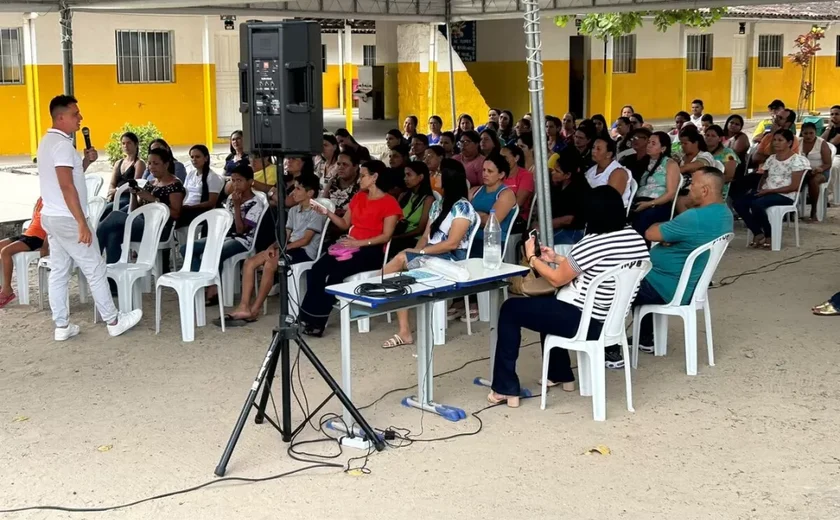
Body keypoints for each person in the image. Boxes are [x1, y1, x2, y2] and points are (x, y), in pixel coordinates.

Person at [487, 186, 650, 406]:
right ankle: (560, 374)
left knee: (511, 309)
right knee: (548, 307)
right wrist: (554, 258)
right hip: (611, 321)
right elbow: (596, 268)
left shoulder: (593, 243)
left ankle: (505, 388)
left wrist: (532, 258)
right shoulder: (635, 239)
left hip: (584, 321)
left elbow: (556, 280)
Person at [604, 166, 734, 368]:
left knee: (612, 285)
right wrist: (674, 236)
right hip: (685, 282)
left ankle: (610, 349)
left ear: (705, 190)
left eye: (693, 184)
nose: (689, 188)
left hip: (665, 285)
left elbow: (650, 233)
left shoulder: (694, 218)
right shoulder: (724, 213)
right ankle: (646, 337)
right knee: (633, 274)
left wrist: (667, 233)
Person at [37, 95, 142, 340]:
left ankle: (62, 325)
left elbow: (68, 178)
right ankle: (113, 320)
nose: (80, 118)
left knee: (60, 271)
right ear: (61, 117)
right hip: (68, 218)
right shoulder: (62, 145)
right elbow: (66, 186)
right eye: (75, 114)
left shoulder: (48, 142)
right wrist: (82, 223)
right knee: (94, 267)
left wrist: (84, 162)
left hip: (53, 216)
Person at [298, 160, 402, 337]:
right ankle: (306, 316)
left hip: (372, 250)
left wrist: (359, 243)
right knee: (317, 269)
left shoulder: (389, 202)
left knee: (336, 275)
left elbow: (386, 236)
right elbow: (345, 223)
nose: (359, 180)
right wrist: (327, 213)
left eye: (362, 176)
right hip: (349, 246)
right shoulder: (359, 197)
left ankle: (318, 321)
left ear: (375, 177)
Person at [380, 161, 477, 348]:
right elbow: (425, 237)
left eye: (440, 174)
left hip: (452, 259)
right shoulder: (438, 205)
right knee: (401, 264)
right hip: (433, 255)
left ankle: (371, 292)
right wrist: (416, 252)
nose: (436, 177)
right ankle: (402, 329)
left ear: (450, 178)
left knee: (400, 260)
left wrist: (420, 252)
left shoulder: (462, 207)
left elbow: (452, 243)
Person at [221, 173, 326, 325]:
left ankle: (255, 309)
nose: (293, 193)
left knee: (270, 263)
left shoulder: (317, 212)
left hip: (305, 252)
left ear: (310, 193)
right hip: (289, 247)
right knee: (250, 262)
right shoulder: (294, 210)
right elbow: (286, 234)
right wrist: (273, 246)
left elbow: (305, 240)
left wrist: (283, 249)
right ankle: (244, 306)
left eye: (297, 189)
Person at [182, 162, 265, 305]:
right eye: (233, 180)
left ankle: (213, 288)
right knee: (186, 248)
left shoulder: (255, 203)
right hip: (226, 236)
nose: (235, 184)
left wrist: (238, 206)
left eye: (239, 180)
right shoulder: (232, 198)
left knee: (217, 251)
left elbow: (240, 230)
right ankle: (203, 284)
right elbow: (226, 221)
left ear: (250, 182)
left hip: (243, 240)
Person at [98, 147, 185, 265]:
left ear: (166, 164)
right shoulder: (151, 183)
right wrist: (134, 195)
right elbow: (135, 211)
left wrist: (153, 199)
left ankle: (93, 254)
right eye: (149, 163)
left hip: (160, 228)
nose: (151, 167)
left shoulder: (175, 185)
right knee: (114, 235)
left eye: (156, 163)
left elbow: (176, 213)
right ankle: (112, 279)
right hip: (141, 223)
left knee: (115, 216)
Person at [734, 129, 810, 249]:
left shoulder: (798, 160)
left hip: (785, 195)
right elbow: (764, 176)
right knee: (739, 203)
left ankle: (769, 235)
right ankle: (758, 233)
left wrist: (769, 191)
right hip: (767, 191)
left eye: (780, 140)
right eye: (774, 140)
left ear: (789, 143)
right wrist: (760, 189)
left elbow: (794, 186)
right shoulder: (772, 158)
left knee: (757, 204)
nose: (776, 143)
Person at [630, 132, 681, 236]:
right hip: (640, 201)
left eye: (653, 143)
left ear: (663, 148)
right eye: (648, 142)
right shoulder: (643, 162)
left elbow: (671, 193)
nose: (649, 145)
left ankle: (641, 248)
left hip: (659, 204)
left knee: (643, 217)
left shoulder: (670, 164)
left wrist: (649, 204)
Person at [0, 198, 48, 308]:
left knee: (5, 252)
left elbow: (52, 227)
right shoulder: (41, 199)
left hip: (37, 238)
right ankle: (1, 285)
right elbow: (33, 220)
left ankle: (7, 290)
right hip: (27, 235)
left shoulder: (53, 199)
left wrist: (45, 247)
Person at [390, 161, 435, 254]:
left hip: (413, 239)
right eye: (405, 175)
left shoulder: (428, 200)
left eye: (409, 175)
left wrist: (397, 237)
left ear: (421, 177)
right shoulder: (403, 195)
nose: (405, 178)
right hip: (398, 233)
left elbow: (420, 229)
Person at [176, 144, 224, 230]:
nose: (194, 160)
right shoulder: (190, 174)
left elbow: (211, 203)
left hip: (199, 212)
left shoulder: (212, 177)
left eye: (197, 157)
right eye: (192, 157)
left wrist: (191, 207)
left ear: (206, 158)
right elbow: (184, 193)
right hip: (185, 208)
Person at [548, 152, 590, 244]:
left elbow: (568, 219)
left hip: (574, 232)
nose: (553, 173)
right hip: (556, 228)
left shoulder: (580, 189)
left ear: (567, 175)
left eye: (557, 171)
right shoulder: (557, 185)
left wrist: (543, 226)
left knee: (542, 244)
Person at [584, 137, 632, 208]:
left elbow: (611, 201)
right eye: (593, 147)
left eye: (598, 149)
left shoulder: (618, 172)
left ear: (608, 154)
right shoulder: (592, 170)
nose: (593, 151)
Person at [799, 122, 832, 221]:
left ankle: (813, 212)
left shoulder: (822, 143)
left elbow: (828, 163)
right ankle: (792, 211)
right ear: (801, 133)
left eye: (811, 133)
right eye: (805, 133)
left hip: (821, 171)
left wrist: (819, 169)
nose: (808, 136)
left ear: (815, 132)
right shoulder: (798, 142)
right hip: (803, 170)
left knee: (814, 181)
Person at [106, 132, 146, 213]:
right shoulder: (118, 163)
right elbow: (112, 183)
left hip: (129, 198)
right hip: (115, 197)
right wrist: (111, 193)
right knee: (101, 209)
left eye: (129, 143)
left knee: (109, 212)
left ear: (136, 144)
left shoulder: (139, 163)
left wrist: (118, 190)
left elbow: (136, 185)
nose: (125, 146)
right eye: (123, 143)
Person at [501, 143, 534, 224]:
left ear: (516, 158)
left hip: (516, 218)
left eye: (505, 158)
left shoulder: (526, 176)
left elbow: (518, 203)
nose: (501, 161)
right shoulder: (499, 174)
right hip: (496, 214)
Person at [704, 125, 740, 197]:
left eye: (713, 136)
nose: (709, 138)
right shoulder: (702, 152)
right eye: (707, 135)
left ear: (720, 139)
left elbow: (729, 176)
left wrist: (709, 182)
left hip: (719, 189)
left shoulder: (728, 153)